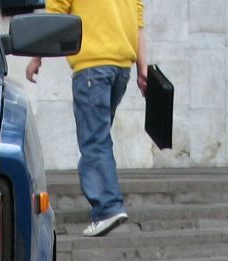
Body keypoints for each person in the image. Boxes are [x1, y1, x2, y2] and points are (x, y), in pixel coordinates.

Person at [27, 0, 148, 238]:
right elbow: (138, 23)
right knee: (98, 138)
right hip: (121, 70)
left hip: (93, 68)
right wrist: (143, 68)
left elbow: (53, 18)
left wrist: (36, 58)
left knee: (94, 141)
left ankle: (108, 208)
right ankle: (106, 203)